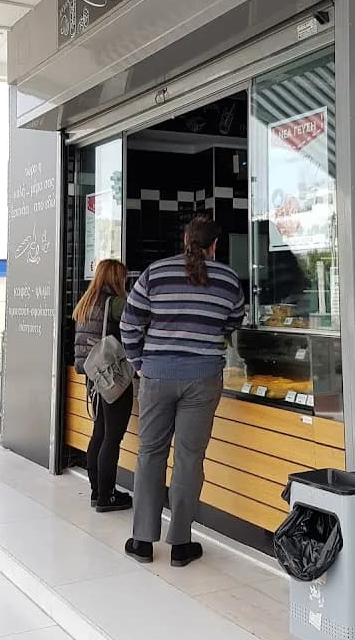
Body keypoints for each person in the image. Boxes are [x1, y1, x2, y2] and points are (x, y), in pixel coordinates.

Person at [120, 216, 245, 566]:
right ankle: (180, 544)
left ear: (186, 240)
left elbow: (129, 322)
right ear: (214, 245)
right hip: (203, 378)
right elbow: (235, 323)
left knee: (150, 454)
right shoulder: (229, 279)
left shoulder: (156, 273)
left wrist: (138, 362)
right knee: (190, 459)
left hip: (156, 375)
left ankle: (142, 540)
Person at [73, 258, 133, 513]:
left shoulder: (86, 303)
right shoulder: (116, 303)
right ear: (115, 279)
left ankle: (97, 491)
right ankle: (107, 495)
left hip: (93, 376)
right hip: (113, 376)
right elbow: (139, 324)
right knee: (112, 436)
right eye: (123, 278)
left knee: (99, 432)